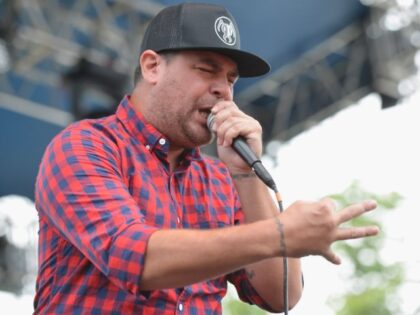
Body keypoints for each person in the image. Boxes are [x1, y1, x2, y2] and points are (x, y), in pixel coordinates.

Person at [33, 3, 379, 314]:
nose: (223, 90)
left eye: (230, 79)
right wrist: (280, 233)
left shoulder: (220, 178)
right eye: (206, 69)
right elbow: (132, 255)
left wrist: (246, 175)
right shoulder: (86, 145)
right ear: (153, 67)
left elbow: (278, 295)